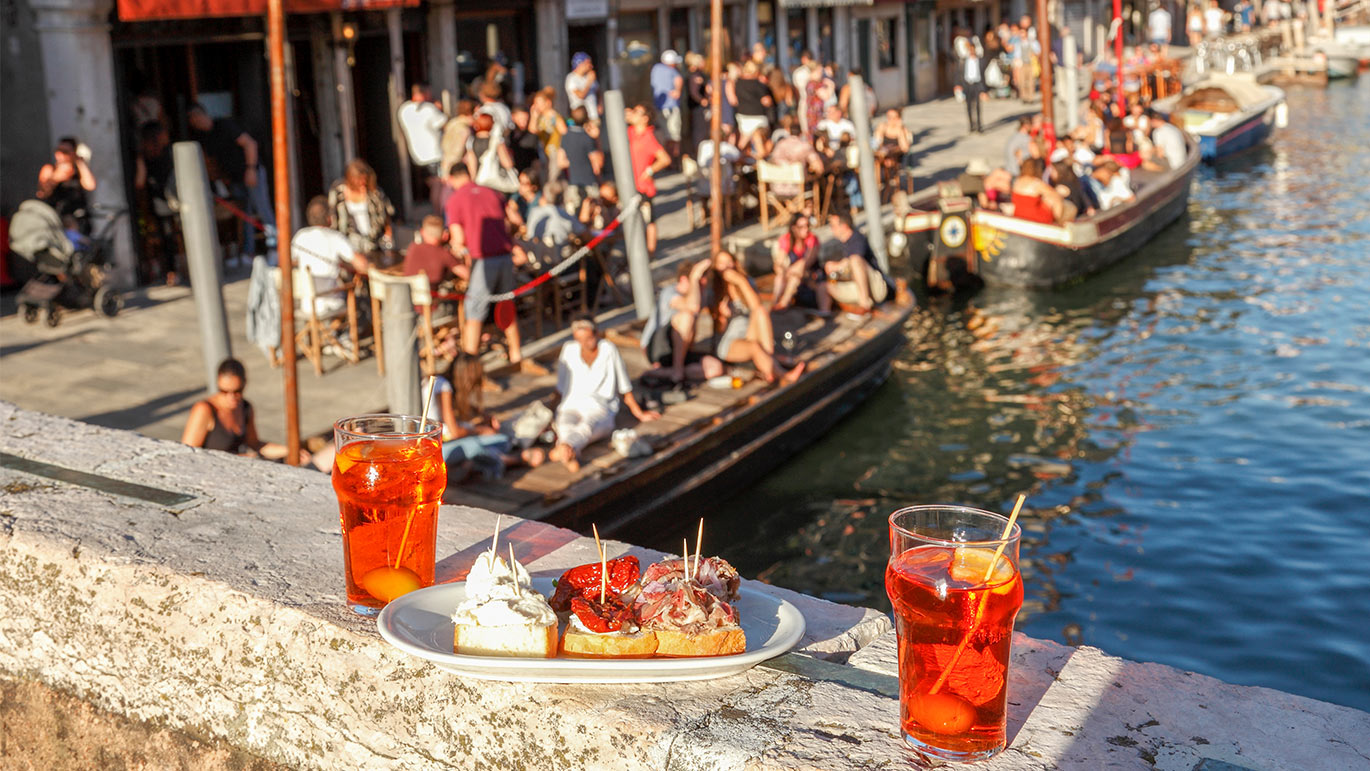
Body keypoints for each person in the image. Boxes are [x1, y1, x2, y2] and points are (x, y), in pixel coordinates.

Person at [548, 315, 660, 472]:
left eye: (588, 338)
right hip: (571, 404)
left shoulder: (608, 349)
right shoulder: (569, 349)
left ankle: (564, 448)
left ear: (596, 333)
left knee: (587, 426)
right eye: (580, 339)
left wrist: (639, 413)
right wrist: (549, 411)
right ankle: (569, 451)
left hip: (600, 407)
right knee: (564, 422)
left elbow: (624, 387)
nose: (585, 343)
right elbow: (560, 388)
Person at [444, 163, 525, 363]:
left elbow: (458, 238)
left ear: (452, 179)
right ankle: (516, 354)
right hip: (505, 257)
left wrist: (457, 250)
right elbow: (515, 220)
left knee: (475, 310)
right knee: (506, 304)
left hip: (483, 260)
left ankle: (470, 361)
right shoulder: (493, 193)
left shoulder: (455, 200)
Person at [429, 353, 545, 482]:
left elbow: (460, 411)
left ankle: (474, 464)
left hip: (438, 446)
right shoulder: (443, 386)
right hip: (437, 451)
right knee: (498, 441)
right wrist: (482, 430)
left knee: (494, 441)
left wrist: (482, 416)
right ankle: (513, 460)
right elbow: (455, 432)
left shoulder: (440, 382)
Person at [181, 358, 311, 466]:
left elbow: (255, 444)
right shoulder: (205, 410)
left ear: (245, 385)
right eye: (224, 391)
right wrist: (239, 458)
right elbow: (186, 454)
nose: (231, 397)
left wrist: (289, 450)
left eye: (237, 391)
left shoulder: (245, 408)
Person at [188, 103, 274, 258]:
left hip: (251, 171)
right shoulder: (204, 137)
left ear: (200, 115)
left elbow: (250, 144)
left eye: (195, 118)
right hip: (235, 178)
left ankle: (275, 248)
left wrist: (251, 169)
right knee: (243, 215)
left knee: (262, 209)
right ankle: (248, 251)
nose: (195, 123)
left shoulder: (225, 125)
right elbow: (213, 162)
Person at [709, 250, 806, 386]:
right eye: (721, 263)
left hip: (749, 333)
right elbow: (719, 329)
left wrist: (740, 281)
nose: (726, 267)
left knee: (760, 311)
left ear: (735, 263)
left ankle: (769, 364)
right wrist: (722, 317)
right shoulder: (715, 289)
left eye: (728, 262)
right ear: (716, 267)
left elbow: (756, 305)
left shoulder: (745, 280)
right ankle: (782, 374)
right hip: (729, 341)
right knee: (755, 347)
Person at [641, 259, 725, 384]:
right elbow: (692, 307)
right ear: (684, 280)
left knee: (715, 368)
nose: (702, 285)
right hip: (657, 349)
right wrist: (695, 276)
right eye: (698, 282)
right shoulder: (669, 293)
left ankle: (666, 372)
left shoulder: (699, 295)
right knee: (687, 317)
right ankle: (677, 371)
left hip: (681, 352)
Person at [293, 195, 364, 322]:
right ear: (329, 218)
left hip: (307, 305)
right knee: (357, 290)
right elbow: (362, 264)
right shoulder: (335, 237)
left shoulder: (300, 236)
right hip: (331, 304)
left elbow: (289, 261)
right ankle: (342, 333)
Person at [626, 102, 671, 257]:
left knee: (648, 219)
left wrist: (649, 170)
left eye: (638, 112)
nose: (634, 113)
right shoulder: (630, 132)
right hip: (630, 183)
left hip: (643, 185)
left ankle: (650, 251)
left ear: (645, 118)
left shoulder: (648, 137)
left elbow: (665, 159)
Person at [327, 159, 395, 260]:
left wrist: (388, 235)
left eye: (365, 179)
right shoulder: (338, 192)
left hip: (373, 242)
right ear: (351, 178)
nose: (362, 182)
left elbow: (386, 214)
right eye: (359, 180)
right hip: (349, 243)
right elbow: (332, 216)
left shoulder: (375, 192)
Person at [396, 83, 449, 211]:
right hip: (434, 153)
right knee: (438, 184)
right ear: (424, 93)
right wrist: (440, 109)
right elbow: (444, 123)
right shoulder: (429, 109)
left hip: (416, 154)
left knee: (431, 184)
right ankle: (438, 213)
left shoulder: (404, 109)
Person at [825, 213, 891, 311]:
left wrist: (836, 266)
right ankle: (827, 313)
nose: (831, 229)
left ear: (843, 226)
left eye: (833, 226)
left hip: (877, 288)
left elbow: (854, 260)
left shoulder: (858, 239)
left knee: (855, 260)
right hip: (858, 288)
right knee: (824, 286)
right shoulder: (845, 243)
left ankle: (865, 304)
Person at [37, 136, 97, 229]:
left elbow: (90, 185)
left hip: (78, 217)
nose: (60, 155)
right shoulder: (50, 169)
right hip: (57, 217)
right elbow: (42, 193)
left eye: (65, 152)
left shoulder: (78, 170)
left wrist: (80, 163)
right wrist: (55, 179)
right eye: (58, 151)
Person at [771, 214, 826, 311]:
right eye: (802, 227)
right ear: (794, 228)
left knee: (795, 275)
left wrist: (786, 271)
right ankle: (774, 303)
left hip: (810, 274)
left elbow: (806, 263)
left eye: (807, 225)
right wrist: (781, 271)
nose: (806, 229)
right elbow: (778, 263)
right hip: (794, 274)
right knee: (781, 277)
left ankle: (783, 303)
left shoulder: (812, 239)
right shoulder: (787, 239)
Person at [557, 107, 603, 215]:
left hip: (573, 182)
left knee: (573, 216)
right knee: (594, 216)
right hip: (589, 182)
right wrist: (597, 140)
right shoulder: (587, 138)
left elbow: (561, 162)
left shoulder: (565, 137)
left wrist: (573, 163)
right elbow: (597, 165)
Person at [403, 214, 466, 288]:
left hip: (409, 296)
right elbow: (467, 275)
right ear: (445, 236)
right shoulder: (443, 253)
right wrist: (465, 251)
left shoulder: (412, 247)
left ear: (422, 232)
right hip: (434, 297)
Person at [1011, 158, 1074, 224]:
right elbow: (1053, 193)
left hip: (1018, 215)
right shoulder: (1036, 183)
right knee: (1056, 198)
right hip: (1034, 218)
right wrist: (1061, 191)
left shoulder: (1017, 181)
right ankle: (1056, 224)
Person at [733, 60, 773, 156]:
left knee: (744, 140)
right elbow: (766, 100)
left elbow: (734, 99)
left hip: (742, 115)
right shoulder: (757, 84)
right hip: (757, 116)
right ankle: (761, 158)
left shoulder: (738, 83)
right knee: (759, 138)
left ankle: (739, 157)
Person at [651, 50, 685, 160]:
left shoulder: (655, 69)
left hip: (659, 107)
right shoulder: (672, 70)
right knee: (673, 135)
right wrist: (677, 91)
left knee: (665, 135)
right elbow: (679, 80)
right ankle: (674, 160)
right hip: (670, 107)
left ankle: (669, 160)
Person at [954, 28, 988, 133]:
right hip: (967, 84)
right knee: (968, 105)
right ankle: (971, 125)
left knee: (977, 105)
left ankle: (979, 125)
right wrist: (958, 85)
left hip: (976, 84)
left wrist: (984, 90)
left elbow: (983, 75)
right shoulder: (964, 61)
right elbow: (959, 74)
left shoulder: (980, 61)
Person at [685, 52, 711, 159]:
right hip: (698, 108)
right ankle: (698, 155)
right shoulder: (695, 75)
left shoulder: (700, 74)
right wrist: (702, 100)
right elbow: (694, 91)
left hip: (698, 107)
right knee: (699, 131)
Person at [566, 52, 599, 118]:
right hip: (581, 117)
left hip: (594, 115)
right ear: (580, 64)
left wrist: (600, 105)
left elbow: (598, 91)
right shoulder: (571, 78)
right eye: (588, 63)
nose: (591, 66)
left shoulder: (589, 76)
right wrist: (589, 82)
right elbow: (580, 95)